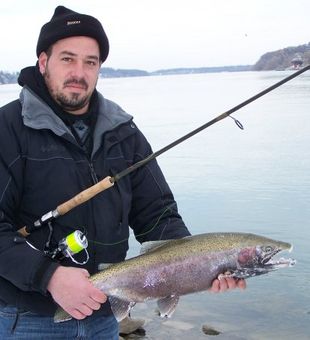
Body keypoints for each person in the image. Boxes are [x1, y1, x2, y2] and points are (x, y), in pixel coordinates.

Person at [0, 6, 245, 339]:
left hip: (104, 317)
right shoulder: (8, 129)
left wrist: (197, 266)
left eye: (91, 62)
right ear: (43, 63)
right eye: (67, 59)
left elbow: (158, 215)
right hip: (26, 318)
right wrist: (48, 276)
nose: (79, 72)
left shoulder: (123, 133)